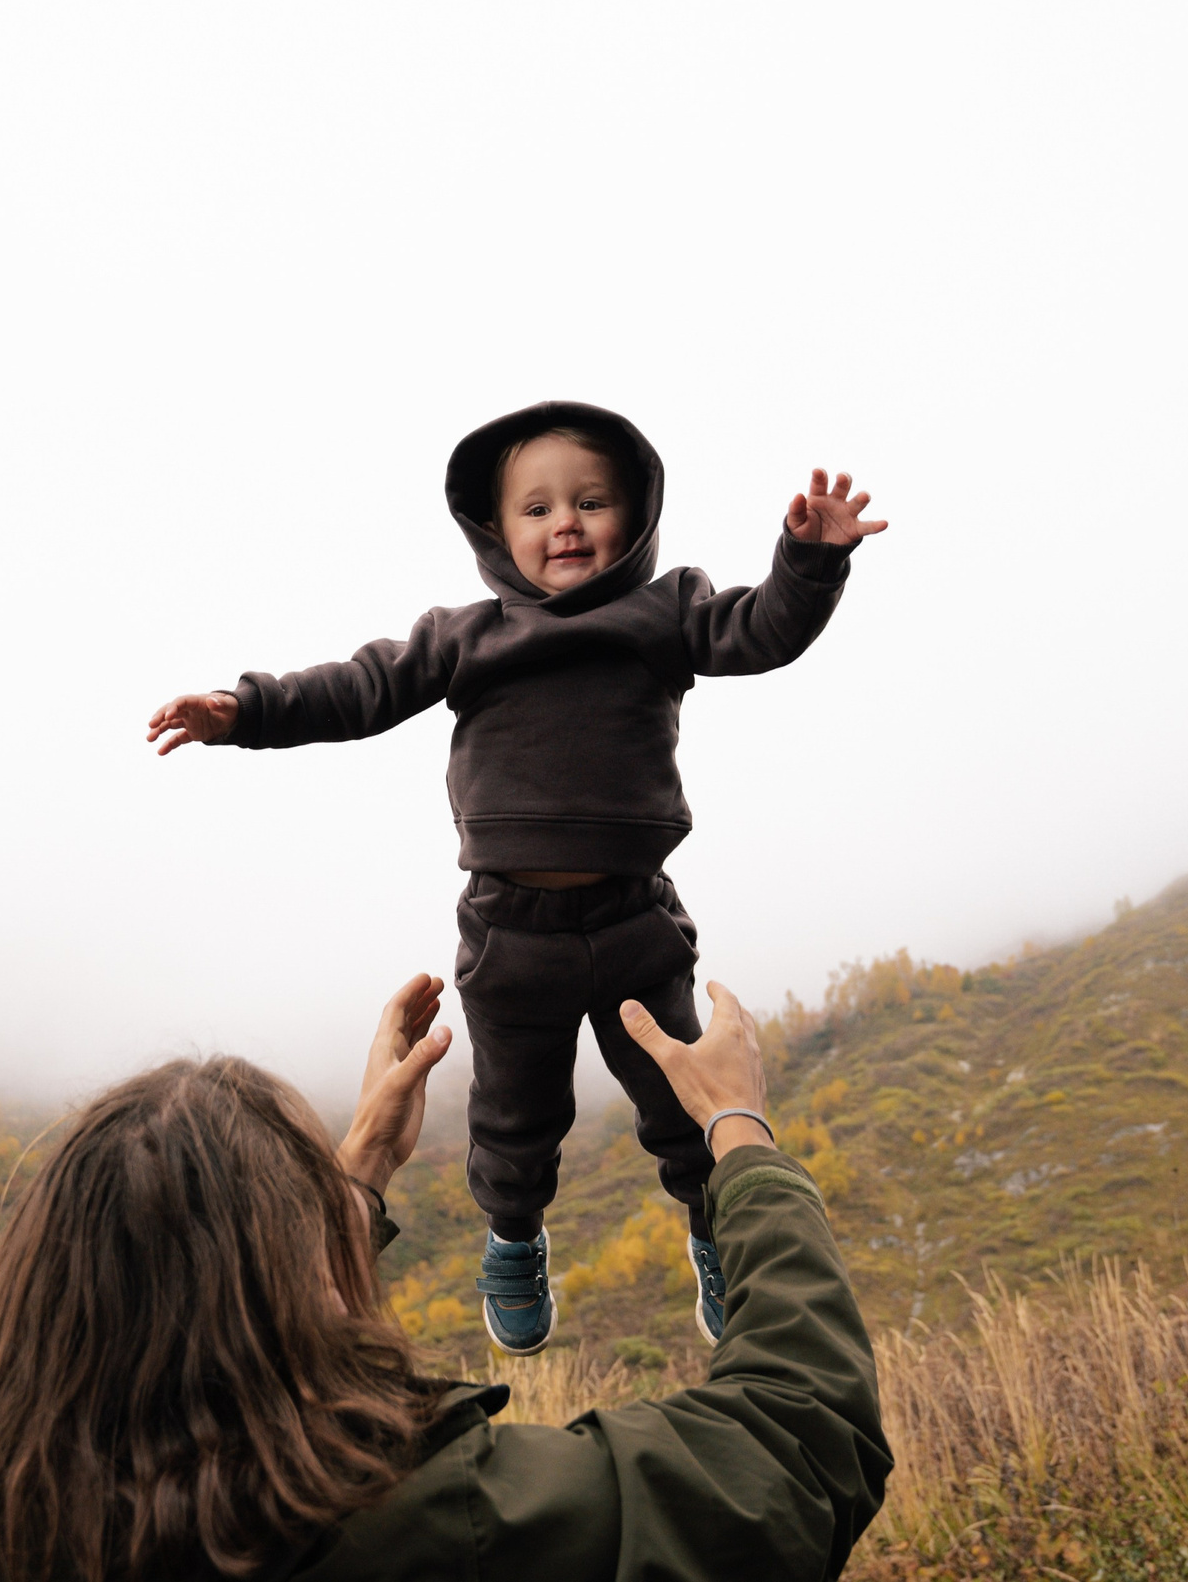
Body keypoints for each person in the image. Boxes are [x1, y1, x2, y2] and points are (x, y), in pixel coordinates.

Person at [147, 401, 887, 1352]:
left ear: (636, 517)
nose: (565, 523)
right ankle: (514, 1234)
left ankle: (718, 1231)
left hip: (635, 922)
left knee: (681, 1097)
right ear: (497, 532)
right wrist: (243, 709)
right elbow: (359, 687)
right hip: (510, 932)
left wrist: (811, 561)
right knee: (513, 1113)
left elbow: (762, 631)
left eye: (590, 501)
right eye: (536, 509)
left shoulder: (664, 612)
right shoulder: (466, 635)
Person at [0, 973, 892, 1582]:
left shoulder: (0, 1533)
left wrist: (355, 1178)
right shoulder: (437, 1531)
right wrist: (739, 1132)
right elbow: (799, 1444)